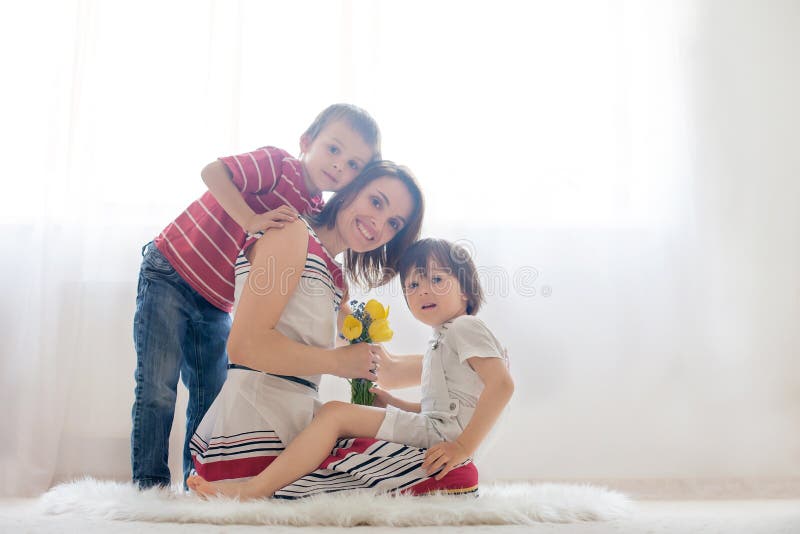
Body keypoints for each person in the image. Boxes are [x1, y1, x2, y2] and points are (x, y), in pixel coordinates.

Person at [132, 104, 381, 489]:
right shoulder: (279, 165)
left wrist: (346, 308)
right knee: (157, 388)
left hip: (216, 302)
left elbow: (316, 257)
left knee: (210, 391)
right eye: (333, 149)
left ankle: (197, 480)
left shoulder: (313, 212)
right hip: (172, 271)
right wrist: (249, 219)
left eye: (352, 165)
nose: (338, 166)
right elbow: (212, 172)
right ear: (306, 142)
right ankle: (148, 486)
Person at [187, 238, 514, 499]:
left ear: (466, 289)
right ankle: (285, 481)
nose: (422, 290)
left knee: (334, 414)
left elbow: (501, 386)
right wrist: (392, 403)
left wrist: (462, 448)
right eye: (412, 286)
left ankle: (256, 488)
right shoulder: (440, 341)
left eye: (436, 279)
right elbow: (443, 410)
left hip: (446, 437)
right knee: (338, 418)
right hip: (437, 429)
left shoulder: (464, 328)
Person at [185, 161, 425, 491]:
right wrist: (337, 363)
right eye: (376, 201)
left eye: (393, 223)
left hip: (299, 425)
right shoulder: (292, 231)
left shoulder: (338, 281)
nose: (378, 223)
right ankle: (244, 489)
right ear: (350, 191)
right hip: (256, 421)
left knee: (446, 463)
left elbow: (382, 367)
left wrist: (464, 362)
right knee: (433, 472)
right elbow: (246, 346)